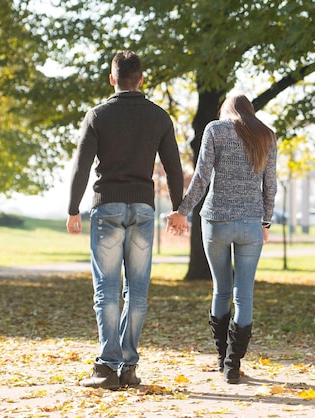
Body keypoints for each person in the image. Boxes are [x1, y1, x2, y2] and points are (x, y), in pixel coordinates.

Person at [67, 50, 184, 390]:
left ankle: (106, 368)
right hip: (143, 211)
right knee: (137, 291)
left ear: (112, 79)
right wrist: (178, 208)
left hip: (106, 209)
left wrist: (73, 208)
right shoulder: (160, 117)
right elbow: (174, 167)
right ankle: (128, 368)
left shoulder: (98, 115)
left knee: (106, 289)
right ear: (141, 79)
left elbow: (81, 165)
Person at [166, 92, 277, 384]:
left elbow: (201, 177)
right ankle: (233, 365)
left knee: (221, 290)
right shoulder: (266, 134)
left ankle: (221, 358)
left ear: (224, 110)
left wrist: (182, 211)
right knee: (244, 296)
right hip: (251, 224)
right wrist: (265, 220)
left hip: (216, 221)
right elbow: (270, 185)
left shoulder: (215, 129)